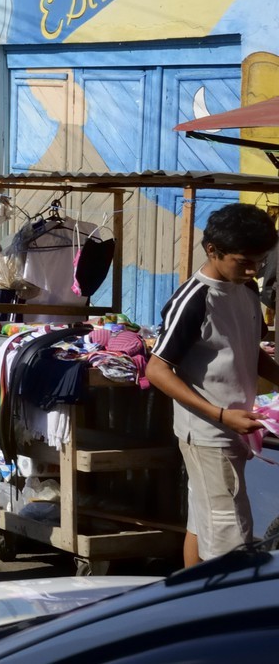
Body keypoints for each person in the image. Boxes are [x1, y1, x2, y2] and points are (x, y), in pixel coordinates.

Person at [145, 202, 279, 566]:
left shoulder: (245, 289)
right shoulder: (194, 299)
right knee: (230, 538)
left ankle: (187, 596)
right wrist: (221, 415)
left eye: (260, 262)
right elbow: (157, 370)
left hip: (235, 427)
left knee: (204, 523)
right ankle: (220, 600)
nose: (253, 270)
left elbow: (249, 350)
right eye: (244, 261)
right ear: (212, 250)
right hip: (209, 433)